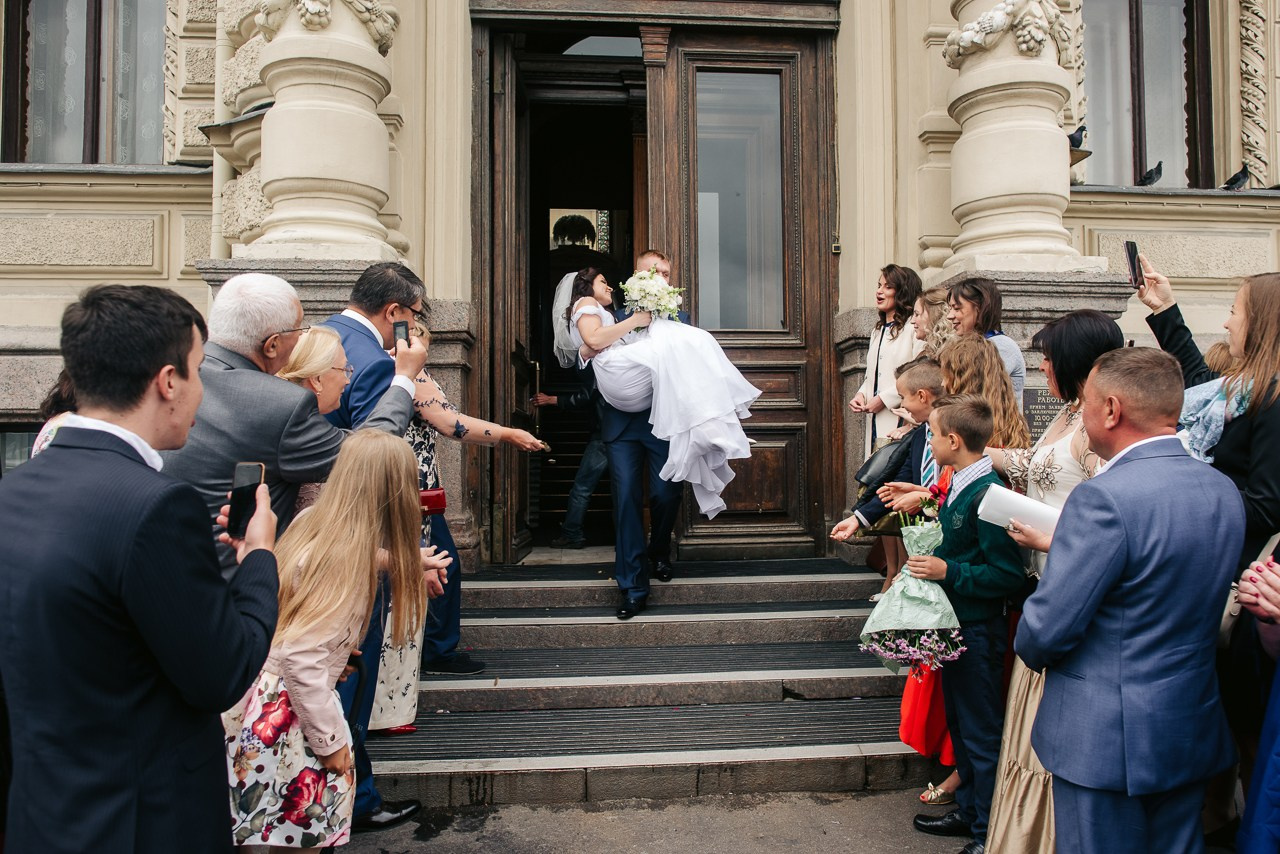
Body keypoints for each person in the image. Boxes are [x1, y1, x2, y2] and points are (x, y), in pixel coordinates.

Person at [0, 284, 280, 853]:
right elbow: (222, 671)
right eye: (199, 371)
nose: (202, 391)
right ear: (168, 381)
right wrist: (258, 558)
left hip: (43, 813)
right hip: (140, 820)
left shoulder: (13, 491)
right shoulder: (157, 506)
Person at [1015, 347, 1245, 854]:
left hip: (1104, 737)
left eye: (1086, 404)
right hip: (1188, 722)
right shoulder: (1222, 489)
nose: (1082, 415)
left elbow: (1046, 630)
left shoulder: (1103, 497)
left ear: (1112, 410)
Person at [224, 430, 450, 849]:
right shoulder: (346, 565)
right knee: (300, 838)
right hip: (293, 713)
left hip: (258, 695)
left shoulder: (314, 522)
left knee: (258, 832)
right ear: (396, 492)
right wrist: (330, 741)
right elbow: (301, 657)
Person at [1137, 261, 1280, 837]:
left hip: (1247, 586)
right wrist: (1164, 310)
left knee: (1246, 716)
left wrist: (1193, 502)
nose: (1226, 322)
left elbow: (1267, 505)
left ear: (1262, 323)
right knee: (1222, 705)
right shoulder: (1244, 390)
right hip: (1221, 570)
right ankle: (1220, 815)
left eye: (1235, 312)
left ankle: (1253, 829)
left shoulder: (1274, 401)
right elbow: (1200, 386)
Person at [161, 272, 426, 578]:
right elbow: (366, 452)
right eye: (299, 329)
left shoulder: (176, 377)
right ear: (272, 345)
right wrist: (404, 378)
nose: (303, 338)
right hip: (234, 579)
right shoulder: (279, 403)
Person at [981, 309, 1124, 853]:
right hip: (1043, 581)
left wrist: (1049, 539)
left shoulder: (1098, 427)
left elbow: (1109, 519)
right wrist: (977, 453)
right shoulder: (1068, 412)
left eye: (1048, 358)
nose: (1041, 367)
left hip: (1070, 582)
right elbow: (1035, 465)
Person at [369, 313, 541, 735]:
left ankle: (427, 651)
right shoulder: (408, 375)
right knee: (439, 563)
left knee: (432, 563)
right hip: (413, 490)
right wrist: (508, 434)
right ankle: (436, 652)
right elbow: (451, 424)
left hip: (411, 486)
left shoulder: (377, 368)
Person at [831, 358, 960, 806]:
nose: (900, 406)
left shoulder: (949, 430)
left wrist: (927, 499)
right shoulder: (921, 433)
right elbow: (892, 478)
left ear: (924, 396)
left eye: (903, 398)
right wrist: (859, 518)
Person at [904, 394, 1028, 854]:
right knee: (961, 726)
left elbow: (1007, 575)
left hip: (978, 630)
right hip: (956, 627)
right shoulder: (958, 483)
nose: (930, 442)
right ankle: (971, 812)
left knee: (980, 732)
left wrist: (948, 571)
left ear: (953, 441)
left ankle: (988, 834)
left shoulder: (989, 496)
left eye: (933, 435)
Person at [569, 265, 760, 519]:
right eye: (603, 281)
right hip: (617, 386)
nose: (609, 287)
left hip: (646, 400)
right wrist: (635, 321)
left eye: (665, 274)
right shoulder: (588, 302)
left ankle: (714, 426)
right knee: (687, 344)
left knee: (689, 344)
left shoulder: (606, 311)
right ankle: (719, 425)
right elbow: (593, 340)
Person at [849, 264, 926, 453]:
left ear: (902, 292)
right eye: (879, 286)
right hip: (875, 419)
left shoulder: (913, 329)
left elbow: (920, 373)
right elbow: (872, 375)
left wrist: (883, 399)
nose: (879, 291)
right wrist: (861, 395)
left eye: (887, 287)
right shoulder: (877, 331)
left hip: (902, 418)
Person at [533, 382, 609, 548]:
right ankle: (627, 537)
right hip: (622, 433)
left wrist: (552, 399)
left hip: (603, 435)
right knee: (624, 488)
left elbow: (585, 396)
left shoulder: (601, 369)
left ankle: (572, 533)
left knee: (582, 488)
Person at [946, 278, 1025, 406]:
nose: (949, 316)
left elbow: (974, 397)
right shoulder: (969, 345)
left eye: (957, 308)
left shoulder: (1000, 346)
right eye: (950, 309)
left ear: (980, 309)